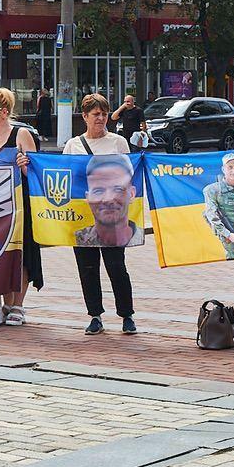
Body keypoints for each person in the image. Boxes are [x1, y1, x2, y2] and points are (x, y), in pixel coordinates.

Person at [65, 94, 137, 335]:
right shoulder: (73, 145)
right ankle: (95, 315)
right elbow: (64, 175)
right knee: (87, 268)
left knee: (116, 266)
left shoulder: (117, 142)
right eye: (95, 114)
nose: (101, 118)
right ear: (84, 117)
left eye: (104, 114)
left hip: (113, 216)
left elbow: (130, 172)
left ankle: (127, 314)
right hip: (84, 213)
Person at [0, 86, 39, 327]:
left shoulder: (20, 134)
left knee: (22, 251)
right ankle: (6, 302)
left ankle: (18, 304)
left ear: (3, 112)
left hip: (20, 202)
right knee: (2, 252)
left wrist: (24, 165)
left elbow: (36, 172)